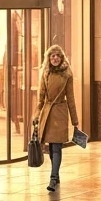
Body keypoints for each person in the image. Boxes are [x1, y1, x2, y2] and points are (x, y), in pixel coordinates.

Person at [34, 44, 79, 192]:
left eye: (57, 56)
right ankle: (56, 174)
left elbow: (71, 98)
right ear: (48, 58)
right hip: (47, 112)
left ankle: (53, 178)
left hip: (60, 112)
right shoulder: (45, 73)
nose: (54, 58)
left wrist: (75, 120)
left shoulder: (67, 74)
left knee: (57, 147)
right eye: (52, 56)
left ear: (61, 58)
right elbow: (40, 97)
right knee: (51, 146)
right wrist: (36, 115)